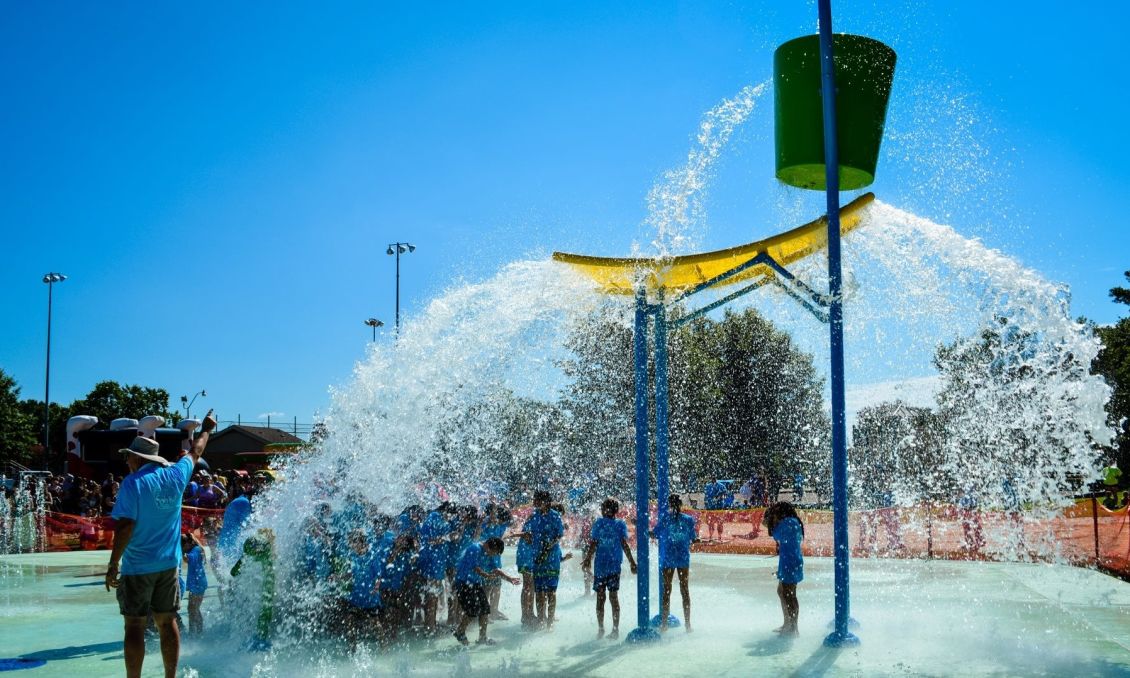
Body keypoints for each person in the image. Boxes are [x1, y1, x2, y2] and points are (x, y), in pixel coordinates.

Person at [106, 410, 216, 678]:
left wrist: (112, 564)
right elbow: (196, 452)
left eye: (128, 456)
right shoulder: (176, 475)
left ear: (136, 458)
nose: (126, 461)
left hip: (138, 566)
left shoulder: (132, 484)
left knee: (134, 625)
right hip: (169, 565)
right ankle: (170, 676)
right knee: (168, 623)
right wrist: (207, 429)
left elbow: (125, 526)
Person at [581, 498, 637, 640]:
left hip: (611, 567)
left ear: (614, 510)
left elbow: (624, 544)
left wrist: (632, 562)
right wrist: (587, 559)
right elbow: (594, 543)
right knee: (603, 598)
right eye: (604, 508)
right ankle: (602, 628)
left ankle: (614, 629)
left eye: (606, 507)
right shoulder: (599, 523)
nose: (605, 510)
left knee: (610, 597)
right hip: (602, 566)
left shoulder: (619, 524)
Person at [452, 537, 519, 646]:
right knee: (472, 610)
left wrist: (509, 578)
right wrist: (486, 575)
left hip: (475, 583)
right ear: (488, 546)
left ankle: (482, 637)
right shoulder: (475, 548)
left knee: (485, 609)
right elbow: (475, 567)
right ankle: (460, 631)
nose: (493, 555)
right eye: (494, 552)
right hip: (463, 582)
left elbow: (496, 570)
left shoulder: (488, 553)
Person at [654, 494, 696, 633]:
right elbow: (692, 538)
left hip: (669, 557)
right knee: (685, 590)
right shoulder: (688, 520)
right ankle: (688, 625)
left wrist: (641, 529)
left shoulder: (665, 518)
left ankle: (664, 624)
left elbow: (655, 534)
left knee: (667, 591)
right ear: (680, 504)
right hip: (683, 557)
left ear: (669, 505)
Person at [763, 501, 804, 636]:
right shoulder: (791, 521)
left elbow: (772, 532)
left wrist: (771, 520)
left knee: (789, 594)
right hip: (789, 561)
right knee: (782, 591)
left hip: (790, 562)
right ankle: (787, 623)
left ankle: (793, 628)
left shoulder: (788, 523)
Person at [340, 528, 384, 650]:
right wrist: (338, 577)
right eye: (352, 543)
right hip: (356, 597)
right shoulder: (353, 557)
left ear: (361, 543)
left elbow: (378, 575)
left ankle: (383, 647)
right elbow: (351, 575)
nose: (352, 546)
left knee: (375, 623)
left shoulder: (372, 556)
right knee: (349, 620)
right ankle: (352, 647)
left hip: (370, 597)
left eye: (355, 543)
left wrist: (376, 586)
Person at [528, 490, 565, 630]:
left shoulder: (555, 516)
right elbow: (532, 535)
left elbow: (559, 535)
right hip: (537, 557)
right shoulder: (534, 516)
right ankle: (541, 620)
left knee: (551, 592)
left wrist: (548, 547)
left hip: (551, 558)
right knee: (539, 591)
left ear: (545, 501)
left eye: (536, 500)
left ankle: (550, 622)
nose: (534, 502)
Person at [181, 532, 208, 634]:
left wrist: (179, 552)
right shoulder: (195, 549)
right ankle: (194, 632)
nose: (182, 549)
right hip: (196, 583)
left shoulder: (196, 550)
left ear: (187, 544)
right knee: (192, 609)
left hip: (198, 583)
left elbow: (187, 559)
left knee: (194, 609)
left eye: (182, 547)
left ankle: (198, 632)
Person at [702, 477, 726, 542]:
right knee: (711, 523)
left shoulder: (721, 486)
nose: (713, 479)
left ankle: (719, 537)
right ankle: (711, 537)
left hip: (719, 507)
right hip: (711, 508)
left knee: (719, 523)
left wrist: (718, 497)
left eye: (714, 478)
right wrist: (706, 504)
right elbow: (706, 497)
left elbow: (724, 494)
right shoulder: (707, 486)